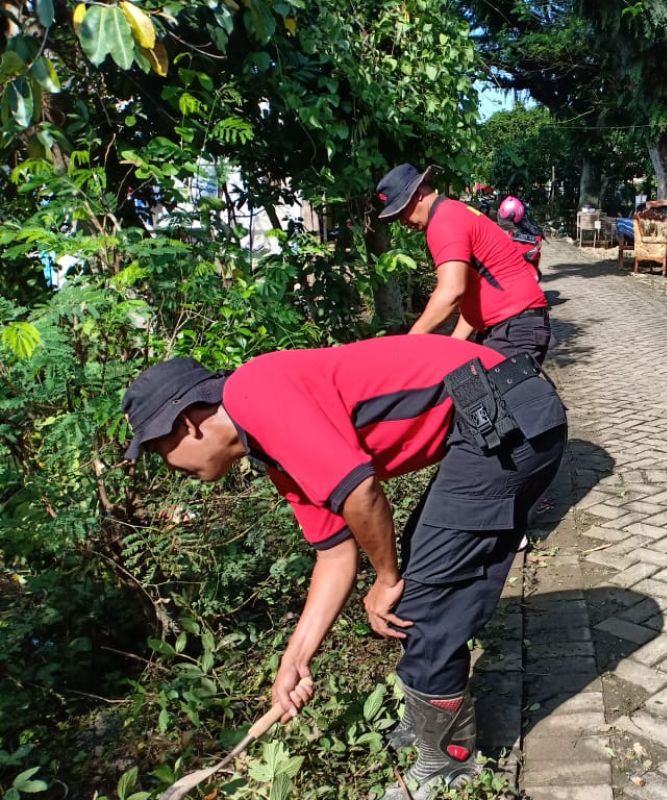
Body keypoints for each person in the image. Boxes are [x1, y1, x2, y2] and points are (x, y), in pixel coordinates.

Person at [121, 336, 567, 798]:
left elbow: (362, 495)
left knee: (426, 597)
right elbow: (334, 556)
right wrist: (294, 661)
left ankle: (447, 766)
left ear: (189, 423)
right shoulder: (272, 446)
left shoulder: (255, 392)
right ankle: (430, 727)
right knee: (422, 579)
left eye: (158, 451)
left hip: (506, 410)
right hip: (496, 411)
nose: (168, 468)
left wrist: (388, 579)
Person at [376, 165, 552, 364]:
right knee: (470, 389)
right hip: (508, 326)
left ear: (418, 194)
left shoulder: (444, 221)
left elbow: (451, 292)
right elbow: (470, 295)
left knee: (494, 393)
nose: (402, 222)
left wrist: (407, 345)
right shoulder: (452, 212)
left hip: (515, 326)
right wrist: (454, 347)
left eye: (402, 211)